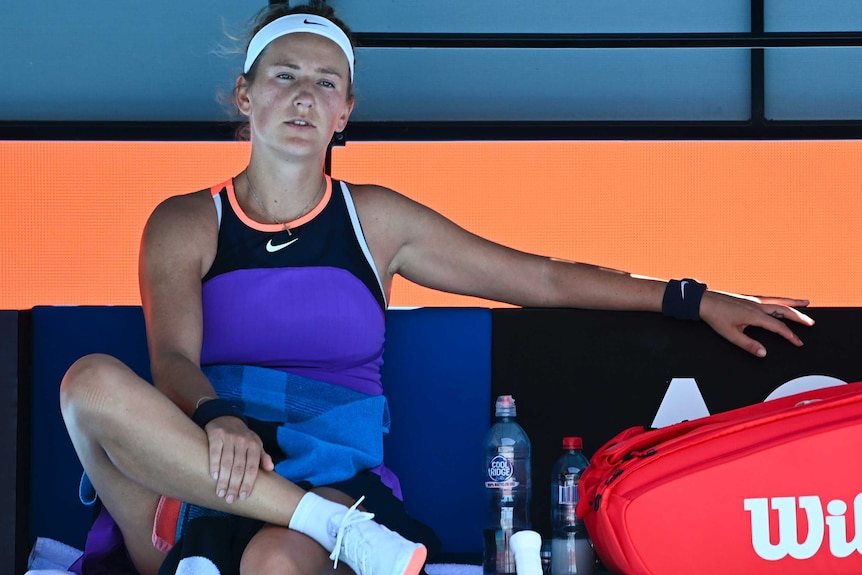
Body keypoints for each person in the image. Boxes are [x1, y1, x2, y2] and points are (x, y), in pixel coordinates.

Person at [59, 2, 814, 575]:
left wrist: (693, 297)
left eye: (326, 83)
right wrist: (220, 421)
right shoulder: (184, 220)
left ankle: (318, 524)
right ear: (244, 94)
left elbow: (540, 277)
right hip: (205, 462)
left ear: (345, 112)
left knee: (273, 563)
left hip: (331, 473)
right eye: (284, 75)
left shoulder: (376, 219)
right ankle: (331, 527)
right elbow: (171, 360)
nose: (303, 96)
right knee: (85, 383)